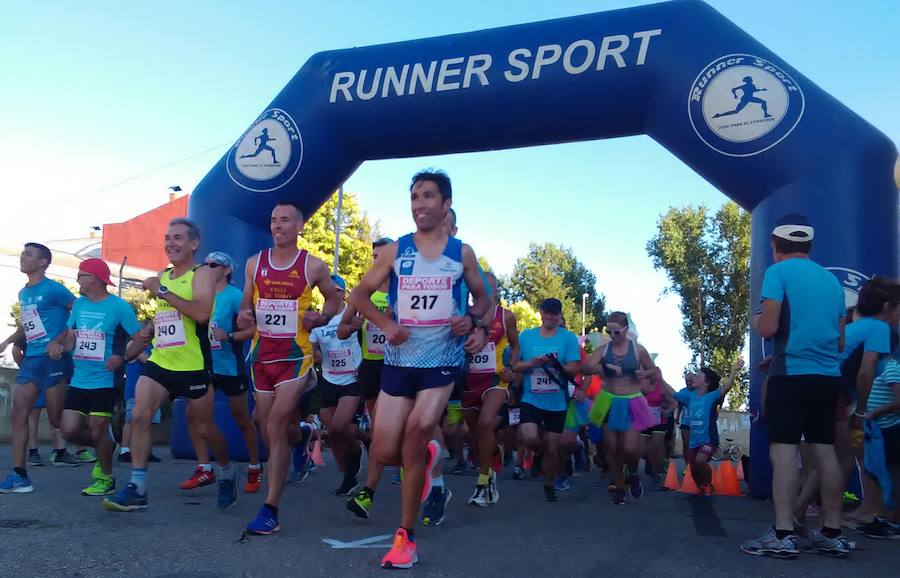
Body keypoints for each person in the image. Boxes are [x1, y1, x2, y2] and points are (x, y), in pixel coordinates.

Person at [348, 170, 490, 569]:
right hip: (398, 361)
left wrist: (474, 323)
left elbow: (483, 300)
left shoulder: (461, 253)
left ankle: (405, 537)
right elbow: (358, 294)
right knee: (384, 449)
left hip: (442, 361)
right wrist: (387, 324)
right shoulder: (395, 251)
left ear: (446, 205)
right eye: (414, 196)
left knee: (416, 430)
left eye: (428, 196)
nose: (419, 204)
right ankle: (428, 456)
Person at [104, 218, 237, 512]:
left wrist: (161, 291)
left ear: (194, 244)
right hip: (161, 361)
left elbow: (202, 313)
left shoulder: (202, 274)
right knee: (139, 415)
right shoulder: (163, 274)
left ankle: (226, 471)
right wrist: (148, 331)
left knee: (204, 429)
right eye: (167, 238)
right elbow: (169, 315)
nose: (170, 243)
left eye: (178, 238)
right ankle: (138, 486)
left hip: (193, 364)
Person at [740, 215, 849, 558]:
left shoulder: (777, 273)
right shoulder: (832, 283)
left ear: (775, 245)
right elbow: (840, 342)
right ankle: (832, 531)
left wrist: (756, 319)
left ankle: (783, 532)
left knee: (784, 451)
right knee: (825, 452)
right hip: (827, 376)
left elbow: (768, 328)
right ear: (810, 246)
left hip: (791, 375)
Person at [240, 201, 341, 535]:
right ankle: (301, 439)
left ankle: (270, 510)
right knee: (269, 426)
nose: (277, 225)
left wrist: (322, 317)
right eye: (273, 220)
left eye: (285, 220)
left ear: (300, 226)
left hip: (295, 357)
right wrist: (245, 316)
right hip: (262, 355)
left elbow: (333, 299)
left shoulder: (312, 266)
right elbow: (245, 307)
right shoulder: (255, 264)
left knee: (276, 421)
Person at [50, 258, 142, 496]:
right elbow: (70, 333)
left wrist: (122, 357)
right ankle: (107, 446)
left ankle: (107, 478)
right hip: (80, 378)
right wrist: (59, 344)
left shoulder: (119, 307)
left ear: (94, 279)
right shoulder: (79, 304)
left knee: (97, 426)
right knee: (68, 429)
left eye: (81, 275)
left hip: (105, 378)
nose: (77, 280)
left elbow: (141, 337)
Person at [180, 252, 262, 494]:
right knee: (192, 415)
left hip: (229, 367)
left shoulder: (235, 296)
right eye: (205, 264)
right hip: (202, 365)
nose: (207, 268)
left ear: (226, 270)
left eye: (213, 265)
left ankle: (255, 467)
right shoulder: (199, 294)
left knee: (241, 419)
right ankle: (204, 468)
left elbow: (256, 329)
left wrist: (230, 336)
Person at [0, 243, 75, 493]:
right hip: (32, 359)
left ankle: (99, 441)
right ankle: (20, 475)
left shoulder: (55, 290)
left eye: (28, 254)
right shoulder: (24, 293)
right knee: (18, 413)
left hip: (54, 359)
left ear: (43, 262)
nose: (22, 257)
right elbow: (28, 325)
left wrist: (61, 341)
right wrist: (7, 342)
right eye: (22, 253)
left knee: (57, 420)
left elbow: (80, 313)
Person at [582, 311, 659, 505]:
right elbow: (585, 367)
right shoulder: (604, 349)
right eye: (609, 331)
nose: (612, 335)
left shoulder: (638, 350)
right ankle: (619, 485)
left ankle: (632, 473)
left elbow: (654, 370)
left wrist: (644, 373)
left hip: (632, 400)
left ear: (625, 330)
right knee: (612, 447)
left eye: (616, 332)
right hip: (608, 399)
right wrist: (604, 368)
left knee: (630, 448)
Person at [511, 298, 581, 503]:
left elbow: (575, 367)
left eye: (554, 313)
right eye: (546, 313)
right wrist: (533, 363)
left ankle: (549, 484)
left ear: (560, 315)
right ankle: (537, 454)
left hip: (557, 401)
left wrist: (555, 364)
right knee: (530, 437)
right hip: (531, 397)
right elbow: (515, 365)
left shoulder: (567, 338)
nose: (549, 317)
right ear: (540, 312)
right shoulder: (527, 336)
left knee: (553, 446)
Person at [462, 272, 518, 507]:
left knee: (486, 423)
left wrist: (511, 368)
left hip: (495, 380)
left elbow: (516, 346)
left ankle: (483, 482)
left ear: (496, 291)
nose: (483, 292)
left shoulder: (505, 317)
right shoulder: (463, 317)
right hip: (467, 380)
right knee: (476, 437)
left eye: (489, 288)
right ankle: (492, 455)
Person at [310, 274, 364, 496]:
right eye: (326, 290)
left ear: (342, 292)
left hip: (352, 377)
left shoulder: (352, 314)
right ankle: (348, 475)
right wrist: (315, 355)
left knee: (340, 426)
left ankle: (356, 457)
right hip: (329, 379)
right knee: (333, 432)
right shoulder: (318, 319)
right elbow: (312, 347)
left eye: (335, 290)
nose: (330, 293)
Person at [664, 360, 743, 498]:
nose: (694, 378)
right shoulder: (690, 397)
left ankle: (707, 484)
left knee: (700, 461)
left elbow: (726, 388)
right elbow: (674, 393)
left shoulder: (711, 396)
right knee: (692, 465)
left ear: (706, 383)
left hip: (708, 439)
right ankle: (702, 486)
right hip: (694, 440)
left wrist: (734, 371)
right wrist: (660, 378)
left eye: (698, 376)